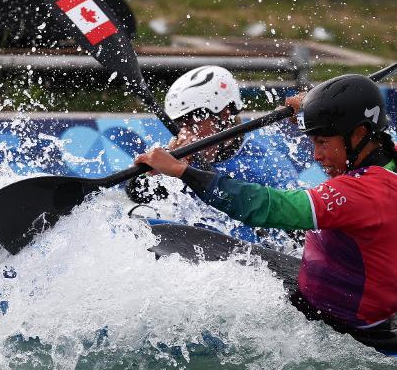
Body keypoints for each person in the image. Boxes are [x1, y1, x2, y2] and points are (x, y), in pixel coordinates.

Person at [134, 74, 397, 331]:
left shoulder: (362, 192)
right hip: (334, 288)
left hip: (343, 323)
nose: (316, 156)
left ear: (359, 133)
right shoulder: (386, 158)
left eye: (322, 142)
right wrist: (314, 108)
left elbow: (264, 205)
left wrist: (183, 171)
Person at [126, 65, 300, 244]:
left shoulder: (266, 165)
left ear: (224, 114)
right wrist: (163, 172)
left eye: (192, 120)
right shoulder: (177, 156)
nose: (186, 133)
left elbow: (300, 232)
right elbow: (138, 193)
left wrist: (186, 170)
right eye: (179, 124)